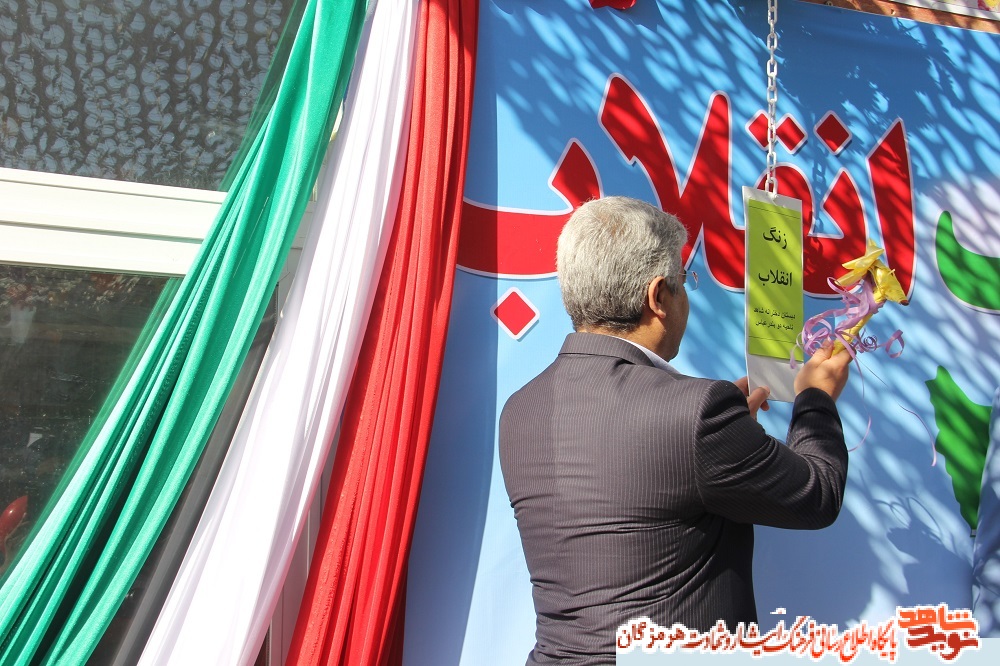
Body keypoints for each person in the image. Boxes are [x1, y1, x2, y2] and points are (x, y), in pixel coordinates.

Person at [499, 196, 852, 665]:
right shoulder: (697, 414)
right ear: (658, 297)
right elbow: (817, 494)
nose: (686, 297)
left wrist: (728, 436)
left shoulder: (520, 410)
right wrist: (816, 399)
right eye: (684, 283)